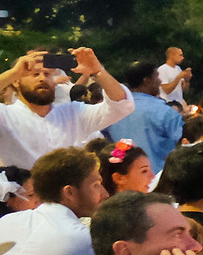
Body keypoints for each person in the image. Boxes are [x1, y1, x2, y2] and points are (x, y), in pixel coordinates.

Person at [11, 149, 107, 255]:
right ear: (69, 192)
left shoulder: (9, 220)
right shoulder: (82, 238)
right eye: (96, 185)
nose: (105, 193)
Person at [0, 49, 131, 170]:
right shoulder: (6, 115)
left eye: (47, 74)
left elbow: (121, 106)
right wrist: (14, 73)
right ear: (16, 81)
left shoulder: (73, 113)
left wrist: (98, 72)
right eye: (34, 74)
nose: (42, 78)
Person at [118, 63, 185, 172]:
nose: (159, 81)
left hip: (122, 179)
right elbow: (183, 147)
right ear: (147, 80)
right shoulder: (165, 112)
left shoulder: (114, 110)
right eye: (156, 76)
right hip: (159, 179)